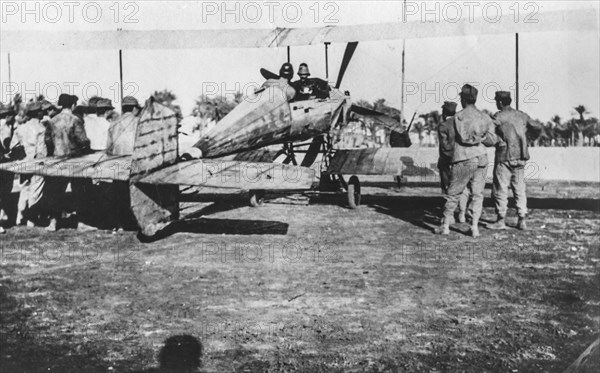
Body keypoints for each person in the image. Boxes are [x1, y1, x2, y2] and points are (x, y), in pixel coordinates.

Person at [436, 84, 500, 237]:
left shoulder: (457, 117)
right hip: (482, 158)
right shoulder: (484, 116)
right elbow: (492, 140)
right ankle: (474, 227)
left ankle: (445, 226)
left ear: (463, 99)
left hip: (463, 157)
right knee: (477, 194)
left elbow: (458, 138)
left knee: (453, 193)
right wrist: (481, 137)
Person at [488, 91, 542, 230]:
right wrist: (526, 140)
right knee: (520, 189)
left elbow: (488, 132)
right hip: (521, 156)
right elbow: (537, 127)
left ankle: (500, 220)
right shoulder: (522, 115)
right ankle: (522, 219)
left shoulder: (498, 116)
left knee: (501, 189)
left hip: (504, 156)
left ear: (500, 102)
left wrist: (498, 141)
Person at [45, 94, 91, 231]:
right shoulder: (76, 120)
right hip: (74, 160)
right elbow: (83, 141)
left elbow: (47, 140)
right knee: (80, 190)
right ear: (73, 105)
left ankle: (53, 222)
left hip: (57, 159)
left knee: (55, 191)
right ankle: (81, 222)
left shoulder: (52, 121)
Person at [105, 96, 142, 232]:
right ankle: (134, 223)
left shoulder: (113, 123)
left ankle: (119, 224)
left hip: (117, 163)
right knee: (135, 193)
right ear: (134, 108)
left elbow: (108, 148)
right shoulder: (139, 122)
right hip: (135, 162)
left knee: (118, 195)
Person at [10, 101, 48, 227]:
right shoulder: (41, 128)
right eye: (41, 110)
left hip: (24, 162)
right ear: (38, 113)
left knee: (24, 189)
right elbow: (41, 151)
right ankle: (31, 220)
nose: (44, 112)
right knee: (35, 191)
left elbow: (13, 147)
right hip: (37, 163)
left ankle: (19, 218)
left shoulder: (20, 128)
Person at [437, 101, 469, 223]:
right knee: (463, 187)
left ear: (444, 112)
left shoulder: (443, 126)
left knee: (448, 188)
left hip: (447, 161)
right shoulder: (461, 124)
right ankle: (462, 213)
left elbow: (444, 147)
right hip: (462, 159)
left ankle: (449, 216)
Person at [0, 103, 17, 234]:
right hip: (3, 164)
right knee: (3, 191)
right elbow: (6, 144)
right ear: (8, 116)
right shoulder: (4, 127)